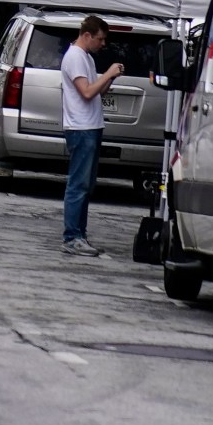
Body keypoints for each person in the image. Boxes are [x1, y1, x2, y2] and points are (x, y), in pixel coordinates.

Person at [60, 13, 125, 256]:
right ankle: (72, 236)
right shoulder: (75, 57)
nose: (103, 43)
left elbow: (94, 91)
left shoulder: (85, 56)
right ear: (87, 35)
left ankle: (79, 233)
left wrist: (110, 78)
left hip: (90, 126)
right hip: (80, 127)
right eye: (100, 39)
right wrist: (107, 74)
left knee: (87, 184)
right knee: (79, 183)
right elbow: (86, 92)